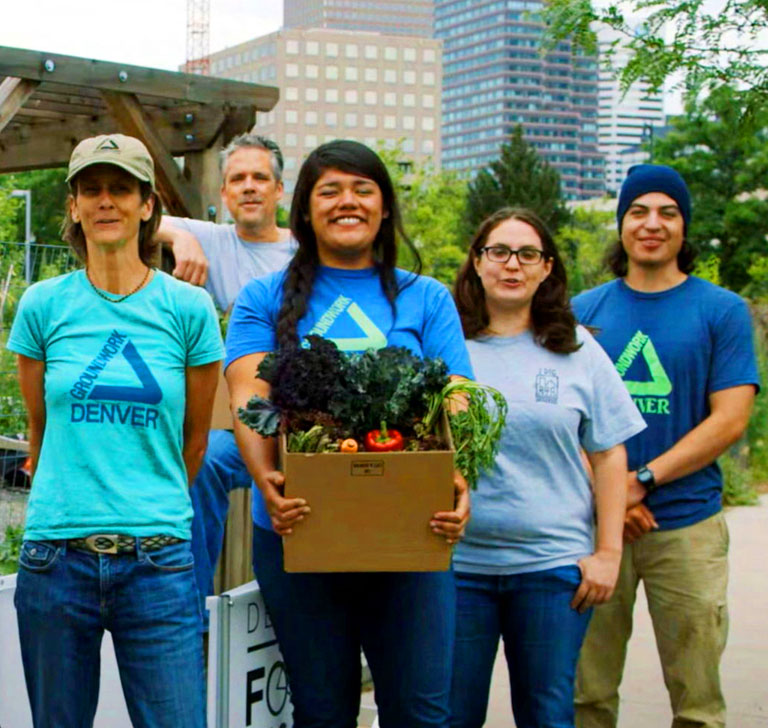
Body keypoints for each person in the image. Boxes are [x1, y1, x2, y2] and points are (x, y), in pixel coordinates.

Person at [224, 139, 473, 728]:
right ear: (305, 209)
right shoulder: (264, 297)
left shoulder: (427, 297)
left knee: (420, 713)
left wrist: (457, 475)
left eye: (363, 189)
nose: (347, 202)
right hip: (301, 526)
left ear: (385, 206)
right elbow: (247, 396)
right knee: (321, 710)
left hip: (409, 531)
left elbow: (457, 398)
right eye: (329, 190)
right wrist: (267, 480)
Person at [8, 134, 223, 728]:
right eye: (92, 190)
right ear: (74, 205)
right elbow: (40, 430)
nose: (107, 201)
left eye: (121, 189)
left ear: (147, 204)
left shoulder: (187, 309)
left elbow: (195, 442)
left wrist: (142, 495)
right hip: (56, 561)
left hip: (157, 562)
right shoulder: (43, 306)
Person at [572, 164, 759, 728]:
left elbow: (729, 419)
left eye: (667, 213)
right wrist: (610, 497)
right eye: (638, 211)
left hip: (688, 527)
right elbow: (564, 418)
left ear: (684, 227)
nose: (652, 224)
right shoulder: (583, 311)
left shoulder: (721, 311)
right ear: (622, 224)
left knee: (698, 701)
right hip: (596, 527)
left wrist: (639, 481)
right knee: (587, 693)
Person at [449, 208, 646, 728]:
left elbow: (608, 454)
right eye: (499, 252)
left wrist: (608, 553)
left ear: (546, 269)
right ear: (477, 261)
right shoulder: (445, 345)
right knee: (448, 716)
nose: (512, 265)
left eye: (528, 254)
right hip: (457, 569)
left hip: (551, 570)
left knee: (547, 716)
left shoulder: (578, 350)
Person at [155, 133, 297, 621]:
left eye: (261, 177)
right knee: (202, 460)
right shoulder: (215, 240)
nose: (249, 187)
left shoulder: (306, 253)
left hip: (305, 419)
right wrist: (181, 237)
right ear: (224, 194)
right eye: (238, 179)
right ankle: (186, 614)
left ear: (280, 190)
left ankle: (298, 615)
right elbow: (144, 217)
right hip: (242, 420)